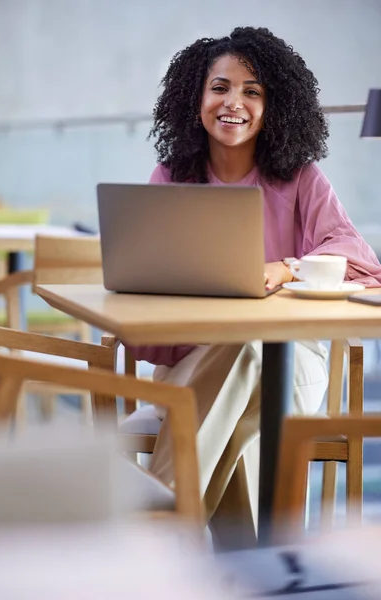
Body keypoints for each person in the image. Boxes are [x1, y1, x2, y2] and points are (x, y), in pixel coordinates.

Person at [126, 26, 381, 548]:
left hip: (291, 365)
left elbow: (361, 260)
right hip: (191, 361)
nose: (233, 102)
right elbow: (145, 283)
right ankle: (240, 564)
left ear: (274, 106)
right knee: (241, 413)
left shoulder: (301, 179)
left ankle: (158, 528)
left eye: (252, 91)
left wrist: (286, 267)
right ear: (196, 97)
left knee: (249, 350)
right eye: (220, 87)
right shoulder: (172, 176)